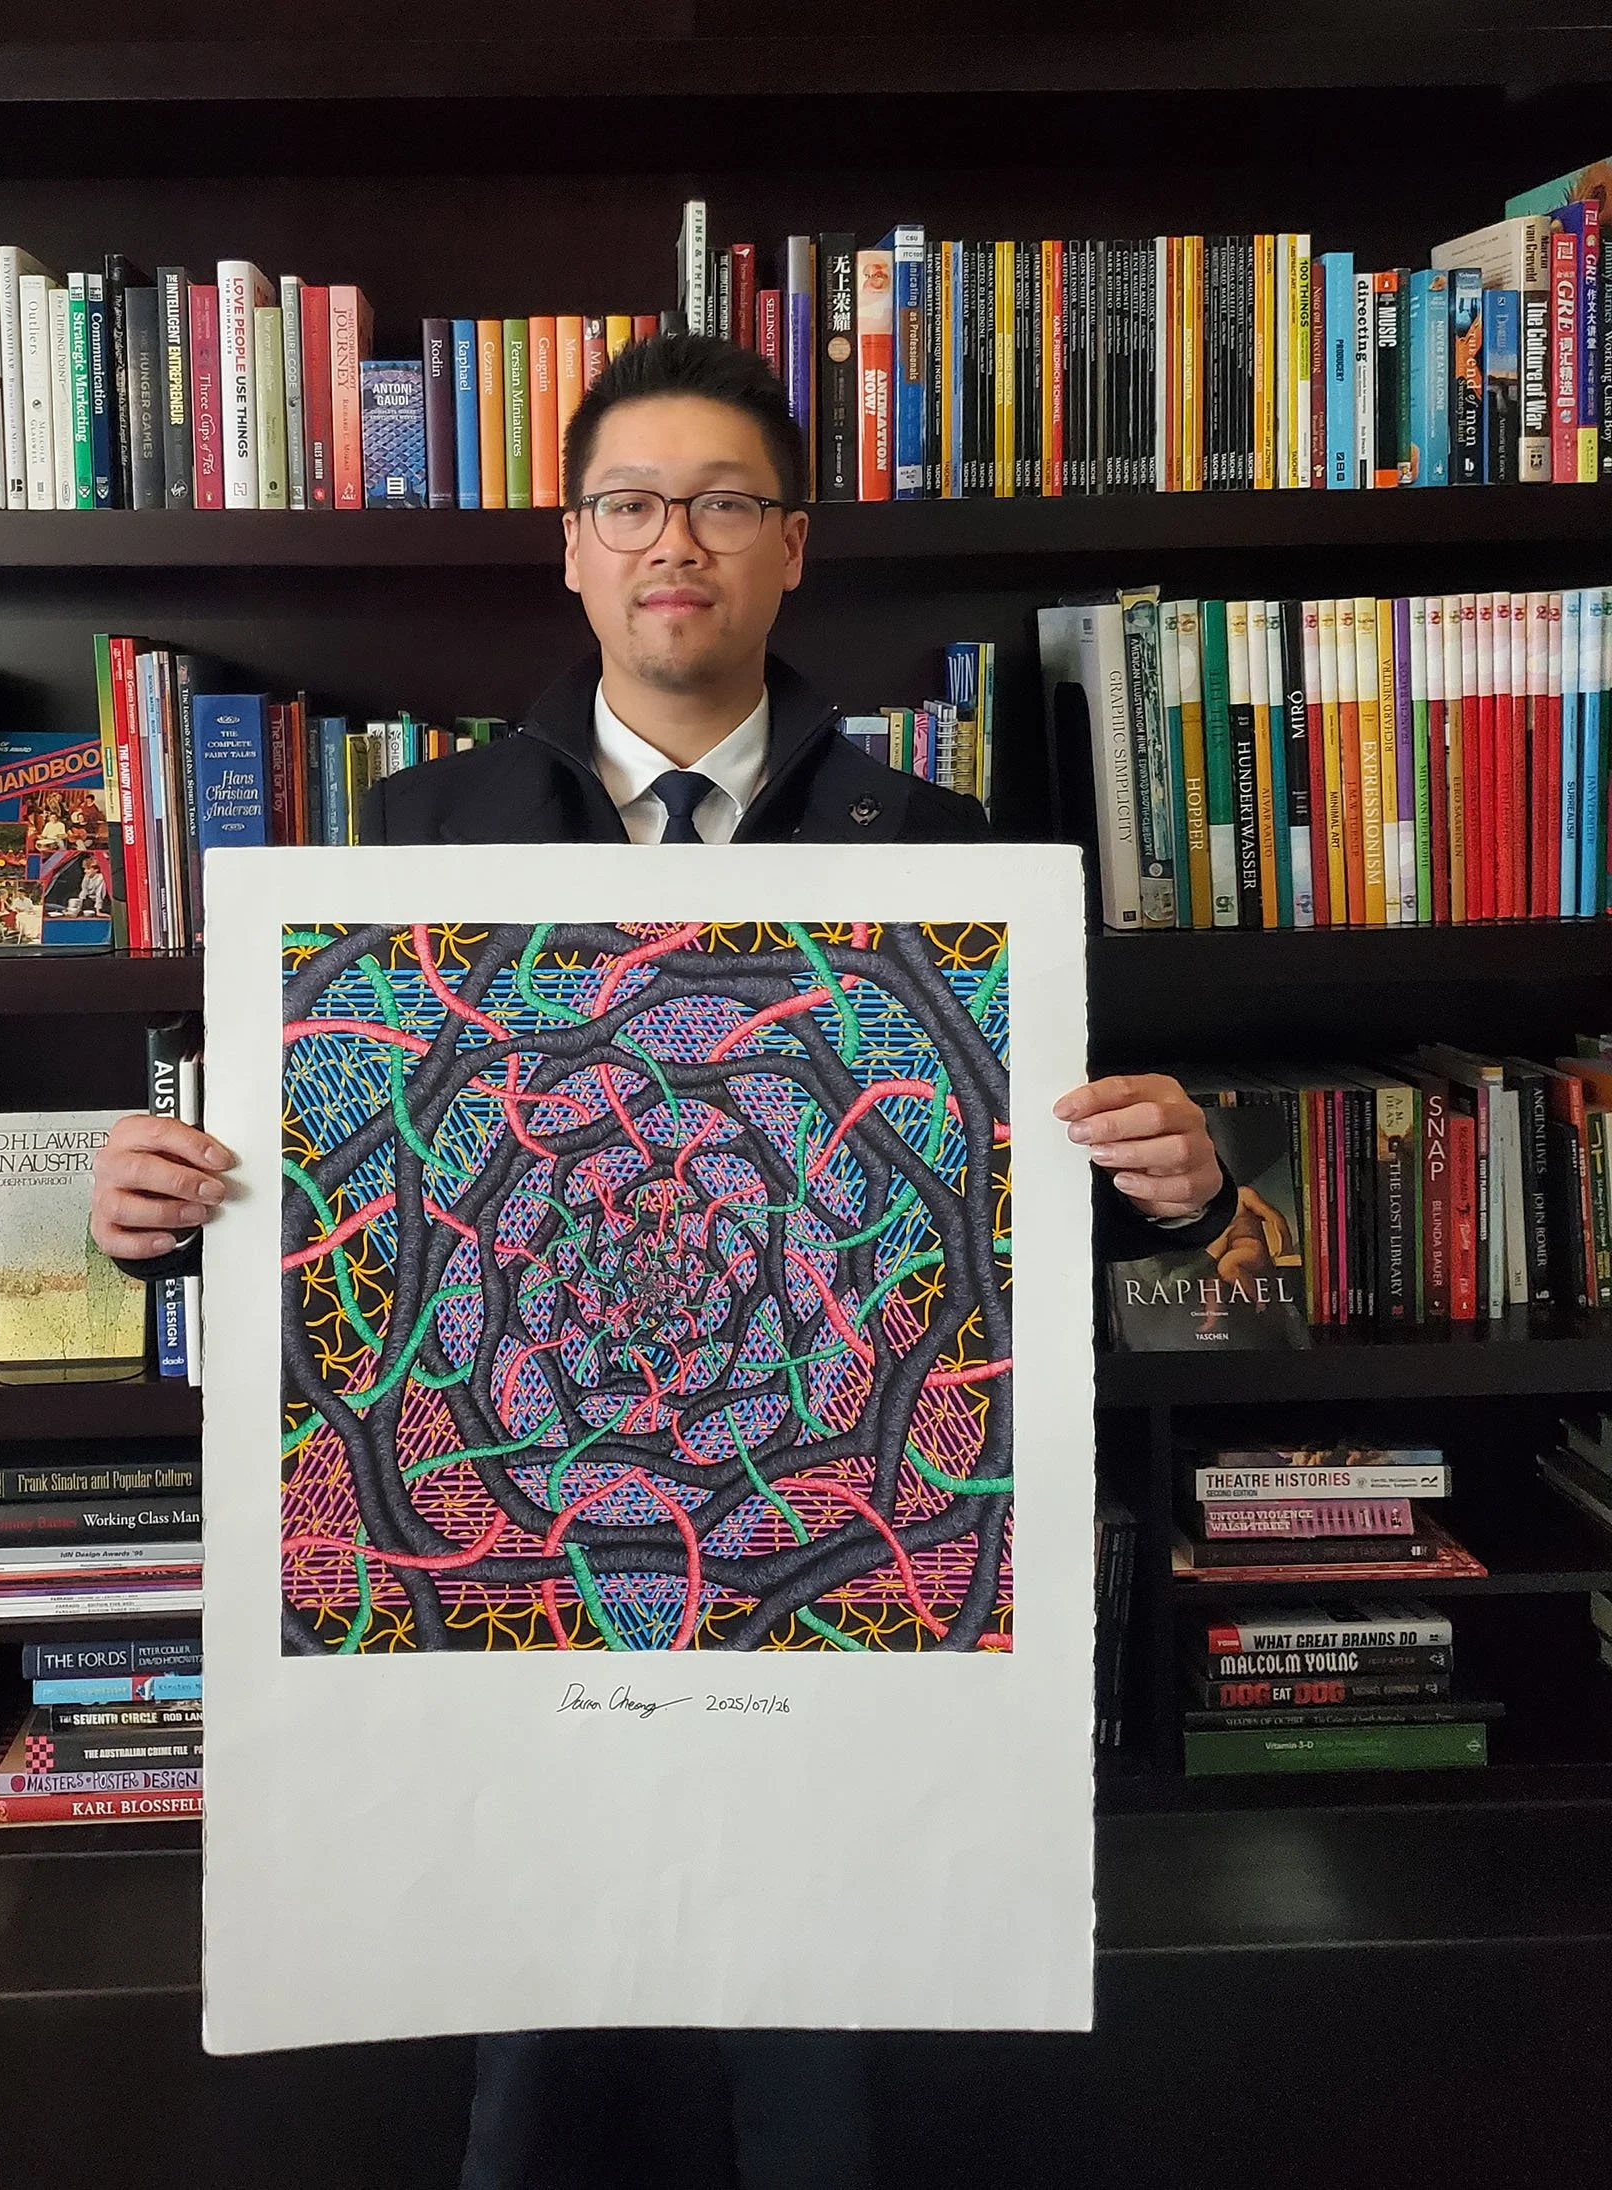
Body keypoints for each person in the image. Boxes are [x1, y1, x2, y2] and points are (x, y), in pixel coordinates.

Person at [91, 334, 1234, 2190]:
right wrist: (161, 1211)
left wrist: (1174, 1185)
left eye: (724, 503)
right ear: (572, 546)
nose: (673, 542)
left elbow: (1028, 1247)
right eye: (631, 504)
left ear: (796, 546)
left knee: (827, 2082)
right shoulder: (404, 847)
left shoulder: (958, 865)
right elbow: (309, 1236)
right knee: (533, 2075)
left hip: (829, 1660)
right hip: (508, 1651)